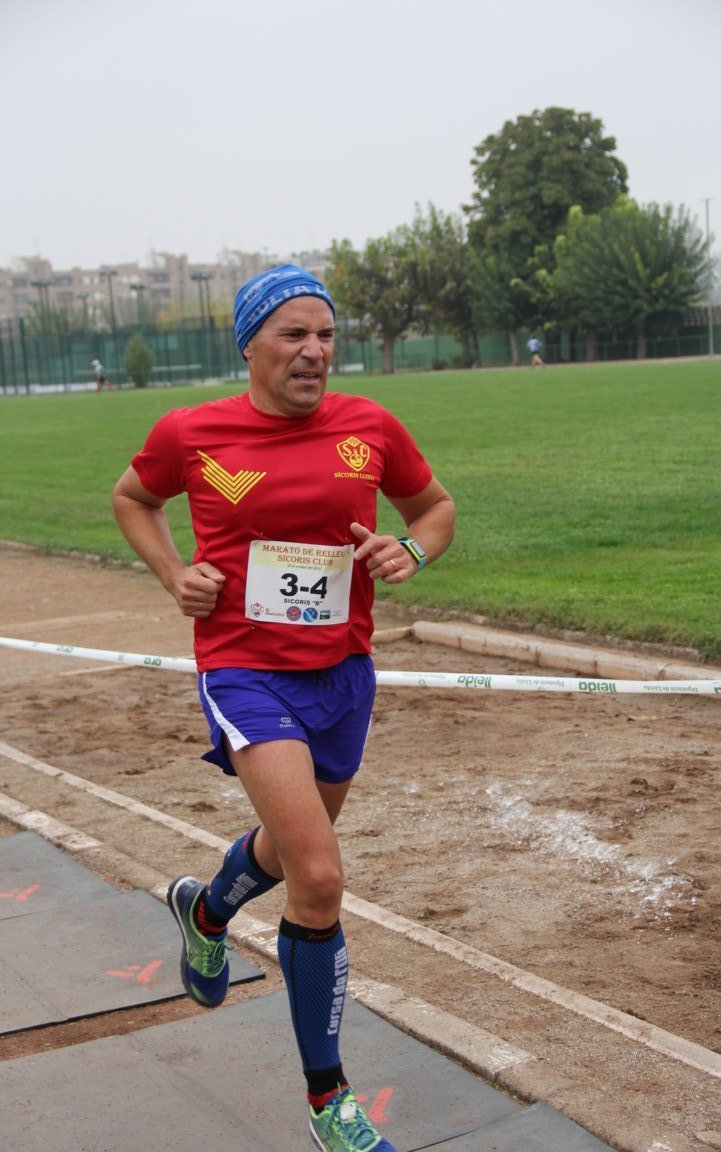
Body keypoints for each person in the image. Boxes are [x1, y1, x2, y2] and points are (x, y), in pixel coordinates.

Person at [112, 264, 455, 1152]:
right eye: (294, 334)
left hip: (342, 675)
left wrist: (411, 550)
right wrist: (174, 574)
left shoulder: (369, 426)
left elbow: (434, 508)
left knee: (287, 847)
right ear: (251, 344)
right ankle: (327, 1099)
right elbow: (133, 498)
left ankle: (206, 911)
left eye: (326, 335)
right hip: (244, 671)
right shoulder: (192, 433)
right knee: (320, 877)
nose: (314, 351)